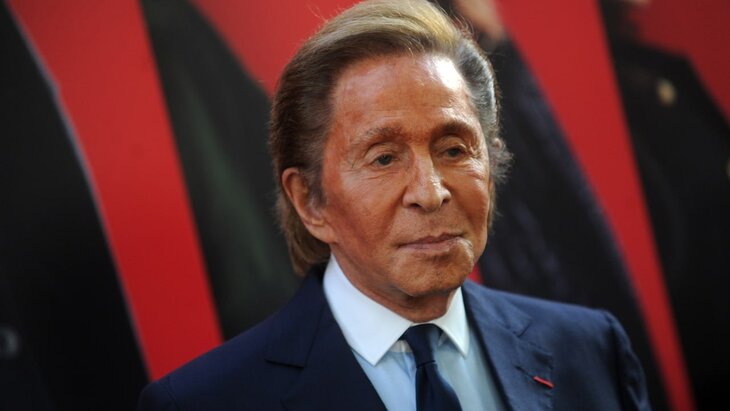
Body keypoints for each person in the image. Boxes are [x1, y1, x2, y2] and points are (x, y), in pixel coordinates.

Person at [137, 1, 651, 410]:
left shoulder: (591, 350)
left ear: (492, 164)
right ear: (309, 201)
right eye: (383, 158)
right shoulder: (205, 401)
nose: (430, 191)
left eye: (454, 150)